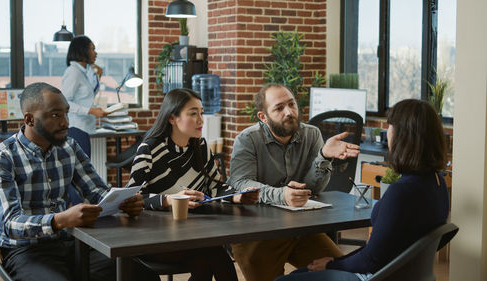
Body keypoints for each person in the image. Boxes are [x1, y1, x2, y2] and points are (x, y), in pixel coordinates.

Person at [0, 82, 148, 281]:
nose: (65, 122)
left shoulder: (69, 147)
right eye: (56, 115)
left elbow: (97, 192)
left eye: (66, 113)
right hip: (26, 251)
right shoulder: (3, 157)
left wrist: (122, 203)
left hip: (71, 243)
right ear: (29, 119)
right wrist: (60, 220)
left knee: (140, 274)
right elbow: (8, 224)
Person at [275, 99, 450, 281]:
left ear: (404, 136)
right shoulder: (437, 182)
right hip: (403, 273)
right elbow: (378, 251)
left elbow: (371, 260)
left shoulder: (402, 192)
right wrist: (337, 260)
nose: (387, 131)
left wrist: (332, 264)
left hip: (376, 276)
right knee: (301, 274)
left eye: (390, 125)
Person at [227, 83, 361, 281]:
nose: (289, 112)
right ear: (263, 117)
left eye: (292, 104)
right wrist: (283, 195)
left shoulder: (312, 134)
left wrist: (324, 155)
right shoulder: (247, 139)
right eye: (279, 108)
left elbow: (311, 188)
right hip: (255, 233)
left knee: (344, 274)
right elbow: (240, 183)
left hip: (298, 229)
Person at [128, 88, 259, 281]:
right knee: (213, 254)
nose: (201, 120)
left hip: (192, 231)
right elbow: (132, 199)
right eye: (193, 113)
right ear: (172, 118)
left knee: (209, 257)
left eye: (201, 113)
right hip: (154, 235)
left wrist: (238, 196)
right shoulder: (149, 149)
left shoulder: (200, 145)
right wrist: (167, 200)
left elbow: (215, 186)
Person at [61, 35, 107, 133]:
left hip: (87, 127)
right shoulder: (73, 72)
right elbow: (64, 103)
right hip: (77, 128)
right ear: (83, 51)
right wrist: (91, 111)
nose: (96, 53)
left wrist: (98, 77)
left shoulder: (84, 72)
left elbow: (88, 97)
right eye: (92, 49)